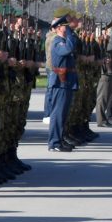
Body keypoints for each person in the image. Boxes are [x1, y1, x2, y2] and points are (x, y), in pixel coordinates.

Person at [47, 15, 78, 152]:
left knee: (63, 113)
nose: (68, 28)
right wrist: (70, 34)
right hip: (60, 81)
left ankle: (59, 139)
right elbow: (69, 49)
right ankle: (54, 143)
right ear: (59, 28)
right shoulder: (57, 41)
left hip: (66, 80)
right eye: (65, 26)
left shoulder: (63, 40)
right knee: (58, 113)